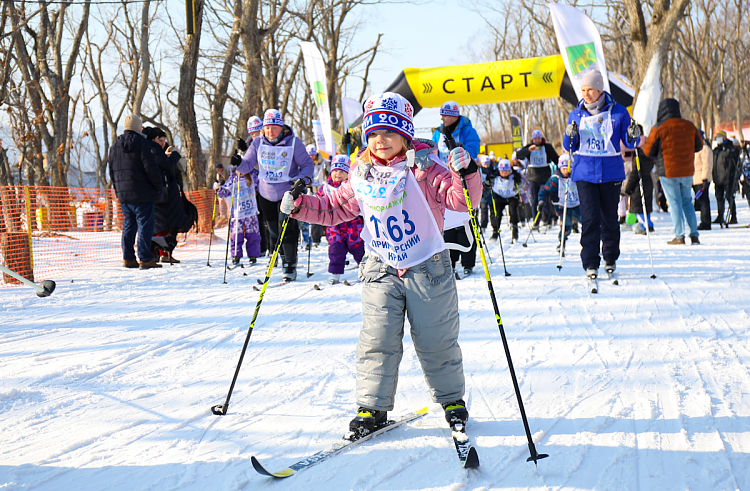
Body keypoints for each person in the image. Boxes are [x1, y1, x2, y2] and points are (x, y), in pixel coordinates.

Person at [281, 92, 482, 437]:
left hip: (428, 267)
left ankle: (452, 401)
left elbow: (461, 201)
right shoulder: (361, 175)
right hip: (381, 267)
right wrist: (299, 204)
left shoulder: (426, 169)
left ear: (405, 136)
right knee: (377, 338)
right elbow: (333, 207)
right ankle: (371, 406)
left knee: (437, 339)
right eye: (373, 134)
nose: (380, 141)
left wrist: (467, 172)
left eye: (388, 133)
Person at [563, 70, 639, 277]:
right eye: (583, 90)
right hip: (585, 173)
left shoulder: (618, 112)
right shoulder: (576, 114)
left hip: (611, 173)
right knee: (589, 219)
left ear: (600, 90)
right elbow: (569, 146)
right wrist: (570, 136)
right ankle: (590, 262)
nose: (586, 94)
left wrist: (634, 134)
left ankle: (610, 257)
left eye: (590, 90)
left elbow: (631, 143)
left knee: (609, 219)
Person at [236, 108, 313, 281]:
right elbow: (247, 165)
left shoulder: (293, 142)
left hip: (288, 192)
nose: (270, 131)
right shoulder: (257, 143)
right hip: (266, 193)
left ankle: (290, 264)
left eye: (274, 127)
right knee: (273, 230)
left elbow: (307, 165)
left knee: (288, 229)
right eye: (267, 128)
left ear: (281, 127)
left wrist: (302, 181)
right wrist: (238, 163)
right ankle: (283, 257)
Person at [643, 98, 703, 245]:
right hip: (687, 170)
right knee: (688, 201)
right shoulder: (690, 126)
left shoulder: (659, 128)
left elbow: (647, 150)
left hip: (668, 171)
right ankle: (694, 235)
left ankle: (679, 235)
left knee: (675, 203)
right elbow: (699, 146)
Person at [108, 114, 163, 270]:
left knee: (129, 225)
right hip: (143, 192)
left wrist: (118, 189)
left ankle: (128, 258)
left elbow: (111, 169)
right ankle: (145, 258)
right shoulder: (143, 144)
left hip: (124, 193)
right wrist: (158, 186)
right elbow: (150, 169)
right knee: (145, 225)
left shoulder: (115, 145)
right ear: (139, 127)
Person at [316, 154, 364, 284]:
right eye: (335, 171)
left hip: (352, 225)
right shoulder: (326, 188)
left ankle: (365, 270)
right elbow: (318, 201)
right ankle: (335, 273)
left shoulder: (352, 186)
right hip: (334, 226)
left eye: (342, 171)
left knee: (359, 248)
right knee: (336, 249)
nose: (338, 174)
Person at [143, 126, 187, 263]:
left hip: (163, 193)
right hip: (162, 195)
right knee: (162, 225)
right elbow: (166, 165)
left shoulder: (153, 150)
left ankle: (161, 253)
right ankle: (161, 253)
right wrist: (175, 155)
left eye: (164, 140)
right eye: (160, 140)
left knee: (162, 225)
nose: (163, 143)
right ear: (154, 139)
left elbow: (167, 166)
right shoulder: (153, 149)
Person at [215, 169, 261, 265]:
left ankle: (253, 255)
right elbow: (225, 192)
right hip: (237, 214)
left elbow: (261, 187)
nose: (240, 171)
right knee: (236, 236)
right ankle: (236, 256)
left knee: (253, 235)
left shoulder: (252, 177)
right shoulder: (232, 180)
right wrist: (218, 189)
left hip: (250, 213)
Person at [516, 129, 559, 228]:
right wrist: (527, 150)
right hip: (533, 178)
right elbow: (519, 156)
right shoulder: (529, 147)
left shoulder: (547, 147)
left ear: (541, 138)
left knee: (545, 198)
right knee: (534, 200)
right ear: (532, 139)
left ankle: (547, 219)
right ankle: (536, 220)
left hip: (545, 177)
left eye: (539, 138)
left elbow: (556, 159)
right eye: (535, 139)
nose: (537, 140)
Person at [538, 154, 581, 251]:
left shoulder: (577, 177)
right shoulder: (556, 179)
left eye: (568, 169)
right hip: (563, 206)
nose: (566, 171)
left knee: (587, 222)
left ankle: (591, 242)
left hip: (577, 205)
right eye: (564, 169)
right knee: (567, 225)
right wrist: (541, 201)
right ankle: (561, 243)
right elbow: (544, 190)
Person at [621, 135, 654, 235]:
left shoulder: (638, 157)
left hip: (639, 185)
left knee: (637, 208)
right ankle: (645, 225)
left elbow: (634, 174)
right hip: (648, 181)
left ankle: (647, 225)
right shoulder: (650, 156)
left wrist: (627, 189)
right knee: (646, 206)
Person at [486, 158, 522, 242]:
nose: (504, 173)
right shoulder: (494, 175)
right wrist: (488, 182)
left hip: (512, 196)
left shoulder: (515, 175)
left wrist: (519, 182)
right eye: (502, 171)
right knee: (496, 214)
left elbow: (522, 185)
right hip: (499, 196)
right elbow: (487, 184)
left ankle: (515, 231)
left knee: (513, 212)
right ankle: (495, 232)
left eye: (506, 171)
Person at [712, 131, 739, 227]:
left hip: (727, 177)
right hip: (718, 177)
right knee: (719, 197)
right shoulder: (716, 149)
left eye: (719, 137)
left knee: (729, 196)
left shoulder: (730, 148)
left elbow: (734, 162)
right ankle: (720, 216)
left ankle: (733, 216)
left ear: (724, 137)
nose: (717, 139)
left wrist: (732, 174)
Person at [693, 131, 713, 230]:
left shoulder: (705, 149)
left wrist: (705, 178)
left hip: (701, 178)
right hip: (695, 179)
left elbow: (707, 165)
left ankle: (706, 222)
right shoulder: (695, 148)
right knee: (700, 202)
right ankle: (703, 220)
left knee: (704, 201)